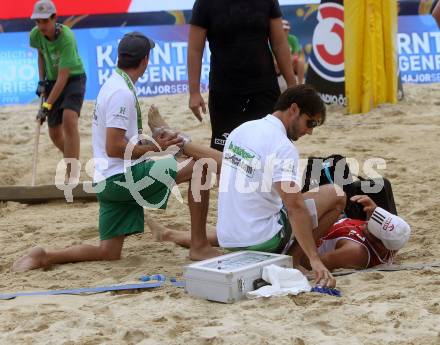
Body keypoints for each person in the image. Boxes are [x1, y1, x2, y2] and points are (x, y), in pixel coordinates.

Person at [12, 32, 220, 273]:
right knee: (201, 167)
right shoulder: (121, 92)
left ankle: (44, 256)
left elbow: (118, 143)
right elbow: (115, 147)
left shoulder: (112, 84)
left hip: (106, 181)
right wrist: (156, 147)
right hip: (123, 179)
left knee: (108, 252)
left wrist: (153, 143)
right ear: (145, 61)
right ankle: (199, 244)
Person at [148, 85, 346, 288]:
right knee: (335, 194)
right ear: (294, 109)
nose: (311, 131)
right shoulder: (283, 147)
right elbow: (295, 208)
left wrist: (184, 145)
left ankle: (169, 232)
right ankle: (295, 262)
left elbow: (224, 163)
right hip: (263, 242)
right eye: (310, 122)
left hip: (230, 240)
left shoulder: (241, 130)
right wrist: (314, 259)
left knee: (257, 208)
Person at [188, 0, 297, 151]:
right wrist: (194, 92)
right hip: (224, 91)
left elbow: (279, 43)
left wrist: (292, 84)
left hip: (264, 88)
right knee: (225, 155)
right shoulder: (205, 3)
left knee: (270, 151)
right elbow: (195, 49)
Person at [30, 0, 86, 180]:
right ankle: (72, 156)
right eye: (37, 21)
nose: (41, 26)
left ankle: (72, 174)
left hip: (73, 78)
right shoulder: (35, 35)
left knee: (69, 120)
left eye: (45, 21)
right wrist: (41, 80)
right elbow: (41, 54)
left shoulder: (67, 38)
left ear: (54, 18)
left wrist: (46, 105)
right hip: (52, 81)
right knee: (54, 133)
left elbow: (63, 77)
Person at [313, 195, 411, 271]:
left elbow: (312, 262)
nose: (367, 224)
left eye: (371, 228)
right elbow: (386, 237)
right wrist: (374, 213)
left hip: (311, 235)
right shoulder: (392, 243)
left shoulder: (355, 252)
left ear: (380, 245)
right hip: (335, 222)